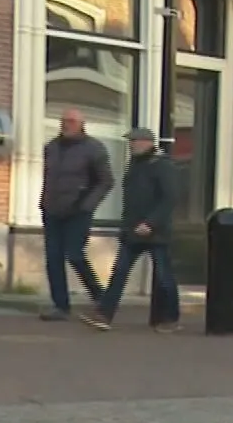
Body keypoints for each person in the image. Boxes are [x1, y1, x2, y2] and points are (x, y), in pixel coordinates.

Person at [83, 128, 181, 332]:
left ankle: (170, 318)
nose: (131, 145)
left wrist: (151, 223)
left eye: (134, 141)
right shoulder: (134, 165)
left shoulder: (162, 165)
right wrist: (127, 226)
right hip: (132, 230)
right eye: (130, 142)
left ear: (147, 142)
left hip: (157, 232)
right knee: (119, 273)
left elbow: (169, 198)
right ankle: (104, 314)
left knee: (164, 277)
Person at [38, 109, 114, 321]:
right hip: (52, 210)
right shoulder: (51, 147)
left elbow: (106, 181)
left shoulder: (94, 148)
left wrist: (87, 205)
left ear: (81, 124)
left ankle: (100, 296)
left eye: (71, 121)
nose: (66, 125)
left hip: (78, 211)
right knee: (53, 258)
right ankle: (60, 306)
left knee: (74, 254)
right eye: (63, 121)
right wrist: (44, 202)